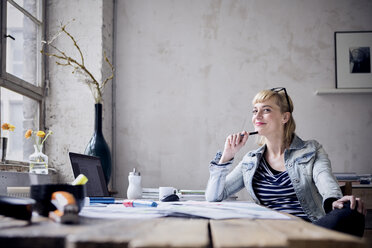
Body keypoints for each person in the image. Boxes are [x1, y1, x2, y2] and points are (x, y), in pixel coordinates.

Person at [205, 87, 366, 237]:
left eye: (266, 110)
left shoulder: (311, 150)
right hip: (270, 233)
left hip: (310, 230)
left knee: (351, 212)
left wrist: (335, 200)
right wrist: (227, 156)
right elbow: (213, 196)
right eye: (255, 111)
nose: (257, 116)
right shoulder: (250, 161)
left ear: (285, 117)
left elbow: (326, 180)